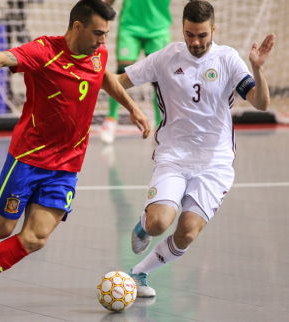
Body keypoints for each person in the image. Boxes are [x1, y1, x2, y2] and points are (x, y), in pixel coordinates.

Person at [0, 0, 151, 316]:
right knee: (0, 230)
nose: (103, 41)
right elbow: (2, 57)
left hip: (67, 167)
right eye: (98, 33)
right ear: (78, 26)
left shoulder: (97, 54)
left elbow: (105, 76)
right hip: (28, 159)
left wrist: (132, 108)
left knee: (35, 239)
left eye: (106, 34)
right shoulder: (44, 52)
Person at [115, 0, 274, 297]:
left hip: (215, 163)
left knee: (186, 231)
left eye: (202, 35)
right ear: (183, 30)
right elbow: (119, 82)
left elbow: (261, 103)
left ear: (213, 30)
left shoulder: (228, 59)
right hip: (173, 157)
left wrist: (257, 68)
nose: (195, 42)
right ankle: (143, 225)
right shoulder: (166, 57)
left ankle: (139, 273)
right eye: (190, 34)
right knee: (158, 223)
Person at [100, 0, 171, 144]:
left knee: (160, 80)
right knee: (122, 71)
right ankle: (111, 119)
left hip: (159, 27)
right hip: (130, 24)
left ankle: (159, 125)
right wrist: (100, 13)